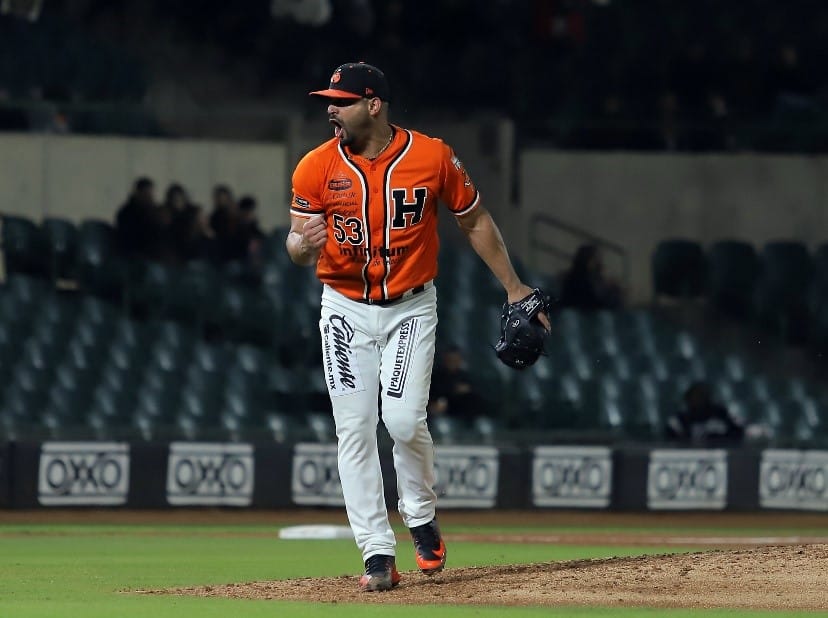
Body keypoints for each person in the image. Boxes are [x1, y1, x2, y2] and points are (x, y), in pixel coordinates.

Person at [286, 62, 548, 592]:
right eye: (328, 101)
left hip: (410, 305)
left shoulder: (432, 155)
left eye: (342, 100)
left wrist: (515, 287)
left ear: (374, 104)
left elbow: (472, 218)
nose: (331, 109)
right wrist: (301, 247)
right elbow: (295, 244)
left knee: (403, 421)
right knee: (354, 429)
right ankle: (376, 552)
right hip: (343, 306)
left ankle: (420, 513)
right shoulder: (313, 167)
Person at [665, 381, 745, 446]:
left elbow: (738, 433)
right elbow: (673, 440)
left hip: (720, 452)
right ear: (687, 400)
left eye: (701, 396)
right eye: (694, 397)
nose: (698, 400)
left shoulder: (722, 414)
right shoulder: (680, 420)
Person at [427, 345, 488, 423]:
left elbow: (476, 393)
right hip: (441, 412)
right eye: (449, 360)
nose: (452, 363)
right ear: (444, 360)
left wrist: (467, 390)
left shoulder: (465, 376)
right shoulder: (435, 376)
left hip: (461, 411)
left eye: (455, 360)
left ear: (460, 361)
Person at [558, 244, 624, 311]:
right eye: (595, 259)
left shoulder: (594, 277)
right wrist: (612, 289)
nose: (599, 263)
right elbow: (595, 301)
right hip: (581, 312)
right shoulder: (578, 278)